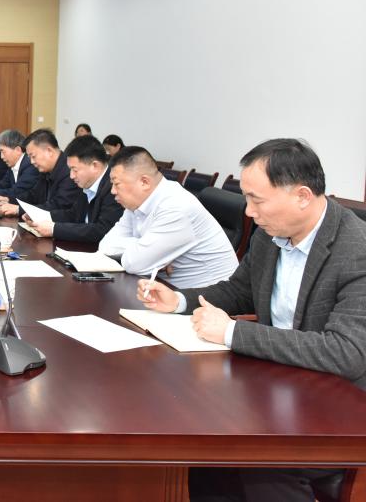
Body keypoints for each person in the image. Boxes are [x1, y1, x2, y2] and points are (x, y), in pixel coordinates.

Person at [138, 138, 366, 501]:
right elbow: (240, 290)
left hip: (341, 405)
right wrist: (179, 300)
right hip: (281, 383)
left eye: (257, 200)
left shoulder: (356, 250)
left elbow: (346, 352)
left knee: (263, 459)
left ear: (302, 196)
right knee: (206, 441)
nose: (248, 212)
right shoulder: (271, 234)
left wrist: (232, 332)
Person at [98, 146, 237, 288]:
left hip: (208, 296)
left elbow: (133, 264)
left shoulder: (176, 206)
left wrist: (148, 252)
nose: (113, 191)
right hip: (164, 287)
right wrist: (146, 248)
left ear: (144, 182)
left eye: (117, 184)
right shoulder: (136, 203)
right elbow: (105, 246)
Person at [21, 134, 123, 242]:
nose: (71, 176)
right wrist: (40, 216)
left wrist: (54, 229)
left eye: (75, 170)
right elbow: (73, 214)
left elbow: (102, 230)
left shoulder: (114, 187)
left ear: (94, 166)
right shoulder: (87, 183)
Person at [0, 129, 81, 215]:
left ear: (49, 151)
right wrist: (9, 200)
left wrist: (18, 210)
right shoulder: (46, 169)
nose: (32, 162)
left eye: (33, 156)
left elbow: (58, 205)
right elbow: (33, 195)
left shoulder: (69, 171)